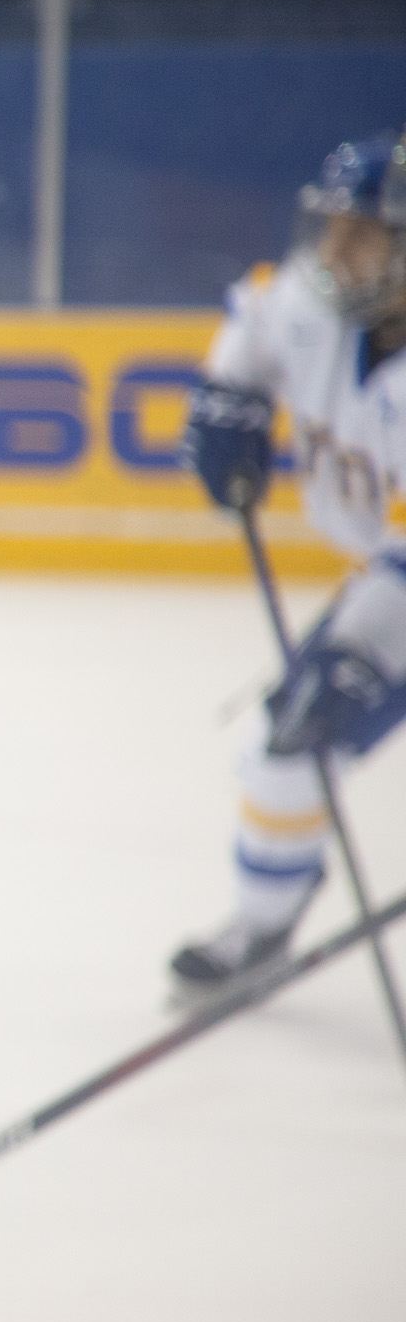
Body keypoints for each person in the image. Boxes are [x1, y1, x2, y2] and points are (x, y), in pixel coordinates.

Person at [174, 130, 406, 998]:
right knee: (290, 745)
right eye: (333, 227)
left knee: (318, 713)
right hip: (394, 570)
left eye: (363, 235)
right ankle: (258, 925)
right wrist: (229, 397)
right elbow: (256, 324)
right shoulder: (312, 305)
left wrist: (360, 655)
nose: (335, 251)